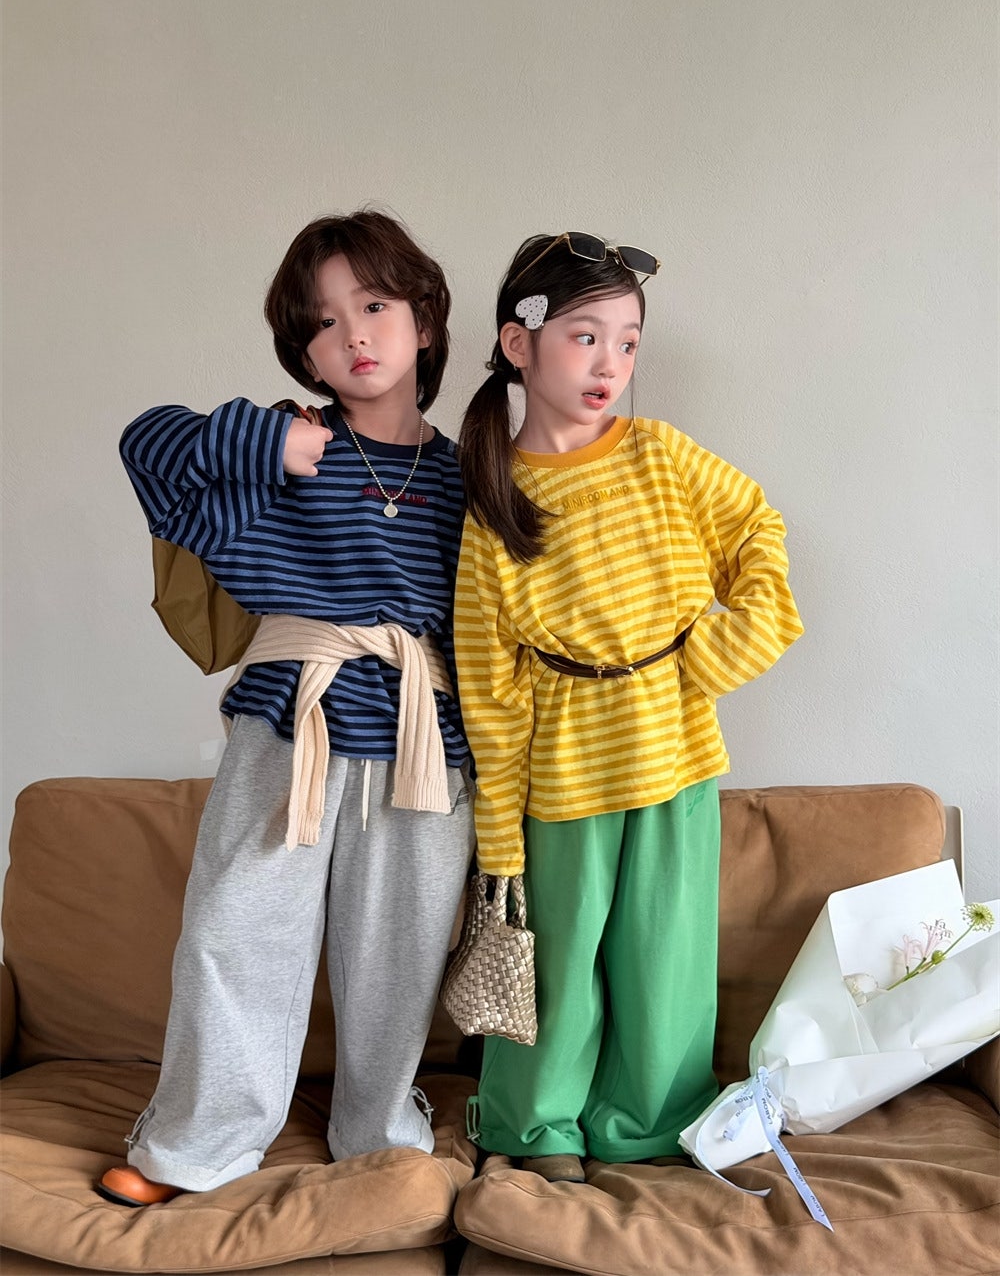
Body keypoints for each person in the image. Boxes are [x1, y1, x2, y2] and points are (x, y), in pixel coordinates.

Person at [98, 210, 475, 1206]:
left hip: (423, 740)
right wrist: (267, 438)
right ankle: (197, 1144)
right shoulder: (280, 454)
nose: (353, 335)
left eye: (375, 305)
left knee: (400, 951)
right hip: (287, 724)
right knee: (233, 932)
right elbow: (145, 444)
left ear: (425, 320)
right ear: (302, 353)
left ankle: (377, 1131)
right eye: (322, 322)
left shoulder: (467, 477)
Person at [453, 230, 804, 1183]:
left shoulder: (663, 456)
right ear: (519, 343)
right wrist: (499, 834)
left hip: (677, 754)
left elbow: (758, 527)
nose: (611, 364)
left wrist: (726, 647)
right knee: (559, 965)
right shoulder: (494, 500)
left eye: (629, 342)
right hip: (562, 775)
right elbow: (489, 687)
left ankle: (650, 1122)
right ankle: (535, 1128)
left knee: (666, 958)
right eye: (586, 337)